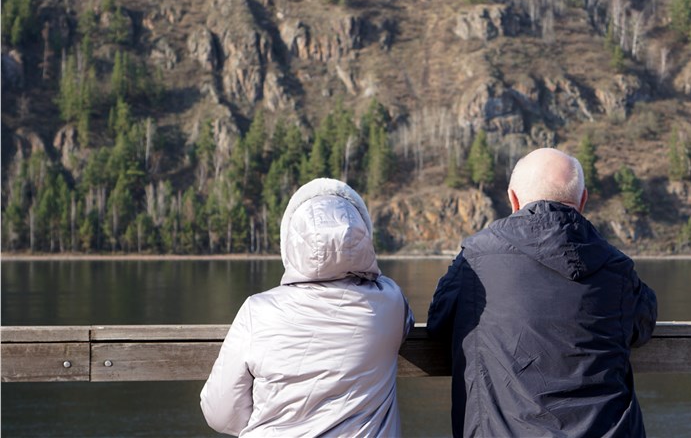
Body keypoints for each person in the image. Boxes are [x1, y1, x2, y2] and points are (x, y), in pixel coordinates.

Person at [427, 147, 657, 438]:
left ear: (513, 199)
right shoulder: (617, 267)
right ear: (583, 200)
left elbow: (438, 324)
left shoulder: (475, 260)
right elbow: (642, 325)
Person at [201, 178, 414, 437]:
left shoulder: (257, 311)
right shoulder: (391, 302)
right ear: (363, 237)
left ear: (291, 242)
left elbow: (219, 412)